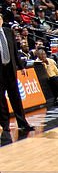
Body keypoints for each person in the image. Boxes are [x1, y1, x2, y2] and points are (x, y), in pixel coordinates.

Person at [0, 12, 32, 142]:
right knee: (1, 100)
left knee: (16, 97)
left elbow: (15, 51)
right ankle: (5, 126)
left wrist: (21, 66)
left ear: (2, 20)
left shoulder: (8, 32)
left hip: (10, 68)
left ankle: (23, 123)